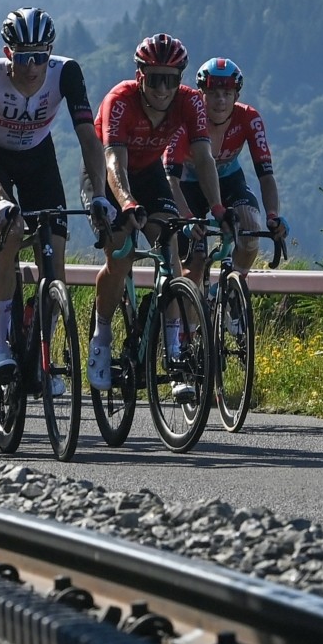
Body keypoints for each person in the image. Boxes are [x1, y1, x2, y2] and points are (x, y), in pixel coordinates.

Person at [0, 7, 108, 382]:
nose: (32, 67)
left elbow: (89, 140)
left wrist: (101, 195)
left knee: (54, 257)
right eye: (23, 57)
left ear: (50, 53)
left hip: (38, 158)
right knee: (9, 233)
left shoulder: (66, 72)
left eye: (40, 57)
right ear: (7, 53)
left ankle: (41, 352)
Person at [89, 33, 224, 391]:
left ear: (180, 79)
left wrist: (217, 207)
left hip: (149, 173)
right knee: (121, 255)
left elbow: (204, 159)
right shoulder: (120, 100)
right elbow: (114, 162)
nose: (163, 89)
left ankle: (174, 350)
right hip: (107, 174)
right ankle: (102, 337)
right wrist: (126, 202)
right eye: (155, 79)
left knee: (170, 247)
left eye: (171, 79)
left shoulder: (189, 101)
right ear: (140, 76)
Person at [168, 57, 288, 273]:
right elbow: (171, 178)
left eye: (227, 93)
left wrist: (273, 215)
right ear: (201, 94)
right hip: (187, 185)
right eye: (213, 93)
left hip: (228, 181)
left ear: (237, 96)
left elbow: (266, 175)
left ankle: (233, 284)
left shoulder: (249, 119)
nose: (220, 100)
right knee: (195, 261)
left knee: (250, 229)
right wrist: (186, 217)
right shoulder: (186, 120)